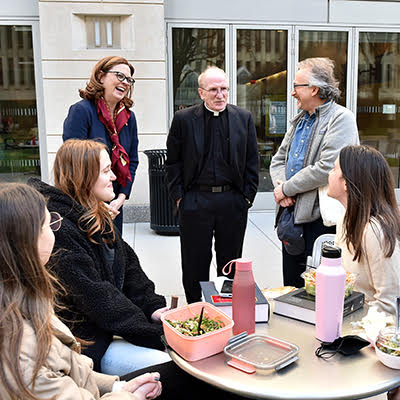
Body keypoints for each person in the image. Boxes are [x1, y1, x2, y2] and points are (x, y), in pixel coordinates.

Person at [0, 182, 162, 400]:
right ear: (26, 242)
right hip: (99, 346)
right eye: (49, 225)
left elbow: (66, 365)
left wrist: (116, 387)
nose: (114, 176)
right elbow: (104, 302)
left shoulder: (26, 298)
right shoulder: (20, 351)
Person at [28, 139, 171, 377]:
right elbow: (98, 298)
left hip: (108, 331)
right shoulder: (60, 229)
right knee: (169, 367)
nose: (114, 176)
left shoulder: (95, 213)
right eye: (106, 171)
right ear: (82, 177)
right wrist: (159, 336)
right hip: (87, 346)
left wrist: (155, 307)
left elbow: (130, 270)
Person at [165, 66, 259, 303]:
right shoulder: (183, 120)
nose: (220, 95)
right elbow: (173, 163)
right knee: (194, 261)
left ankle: (225, 307)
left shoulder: (243, 118)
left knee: (230, 262)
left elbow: (252, 160)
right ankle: (196, 308)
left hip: (232, 201)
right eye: (214, 90)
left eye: (224, 89)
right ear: (201, 92)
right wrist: (179, 198)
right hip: (195, 200)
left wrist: (246, 197)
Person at [269, 57, 359, 288]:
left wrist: (285, 189)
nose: (292, 93)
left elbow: (327, 167)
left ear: (315, 89)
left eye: (296, 87)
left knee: (318, 290)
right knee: (290, 286)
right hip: (291, 216)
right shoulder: (299, 121)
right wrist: (282, 189)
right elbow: (278, 159)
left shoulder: (341, 119)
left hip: (321, 222)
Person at [63, 56, 139, 233]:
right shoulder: (81, 111)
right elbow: (74, 163)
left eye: (129, 79)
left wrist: (120, 198)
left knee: (115, 255)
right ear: (101, 76)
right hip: (86, 205)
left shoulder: (129, 117)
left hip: (114, 204)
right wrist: (97, 203)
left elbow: (132, 160)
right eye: (120, 76)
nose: (125, 83)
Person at [328, 145, 400, 315]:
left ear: (346, 182)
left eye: (334, 169)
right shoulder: (344, 221)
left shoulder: (375, 231)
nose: (329, 174)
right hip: (349, 318)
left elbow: (390, 304)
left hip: (373, 331)